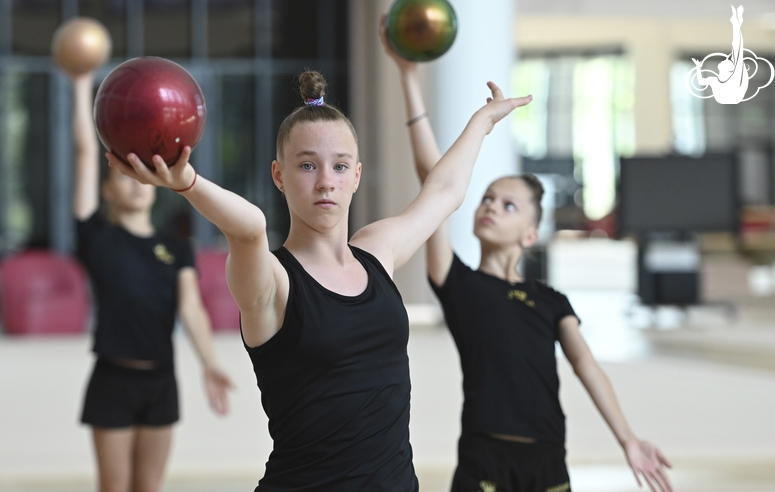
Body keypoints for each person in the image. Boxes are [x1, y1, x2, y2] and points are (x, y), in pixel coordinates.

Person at [105, 69, 531, 491]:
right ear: (279, 175)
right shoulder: (272, 282)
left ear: (357, 176)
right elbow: (249, 227)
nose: (326, 181)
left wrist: (482, 121)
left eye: (340, 166)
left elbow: (444, 192)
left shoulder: (377, 253)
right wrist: (188, 183)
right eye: (307, 165)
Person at [381, 25, 674, 492]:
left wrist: (628, 439)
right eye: (488, 199)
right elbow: (434, 180)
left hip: (548, 467)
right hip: (483, 465)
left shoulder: (551, 300)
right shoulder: (458, 283)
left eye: (508, 205)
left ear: (532, 233)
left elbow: (586, 366)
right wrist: (409, 79)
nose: (491, 206)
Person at [70, 71, 233, 492]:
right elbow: (86, 152)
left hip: (161, 379)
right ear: (107, 189)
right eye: (124, 173)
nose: (135, 182)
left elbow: (191, 309)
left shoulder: (176, 247)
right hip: (112, 379)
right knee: (114, 487)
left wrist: (210, 364)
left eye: (140, 175)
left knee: (149, 488)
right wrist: (80, 84)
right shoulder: (97, 238)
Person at [692, 5, 748, 104]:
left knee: (737, 50)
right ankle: (736, 23)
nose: (726, 60)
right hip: (732, 95)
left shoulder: (715, 80)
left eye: (727, 61)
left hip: (729, 96)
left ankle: (736, 23)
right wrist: (736, 25)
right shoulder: (734, 78)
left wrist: (698, 67)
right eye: (729, 61)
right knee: (737, 51)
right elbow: (738, 50)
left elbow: (701, 81)